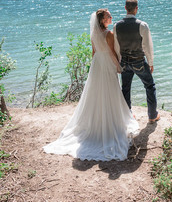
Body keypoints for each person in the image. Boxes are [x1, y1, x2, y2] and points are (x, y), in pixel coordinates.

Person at [43, 9, 139, 161]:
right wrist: (118, 67)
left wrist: (93, 68)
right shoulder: (109, 34)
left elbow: (94, 52)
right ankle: (110, 123)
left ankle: (97, 123)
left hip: (97, 65)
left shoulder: (93, 34)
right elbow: (113, 53)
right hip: (106, 64)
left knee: (96, 94)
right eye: (108, 16)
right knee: (110, 92)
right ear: (102, 20)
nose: (111, 17)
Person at [113, 0, 160, 123]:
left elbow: (116, 47)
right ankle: (152, 115)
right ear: (136, 9)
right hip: (138, 61)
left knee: (126, 88)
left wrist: (118, 63)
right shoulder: (142, 25)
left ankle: (127, 116)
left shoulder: (117, 26)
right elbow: (147, 46)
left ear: (125, 8)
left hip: (124, 62)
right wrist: (150, 63)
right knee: (150, 86)